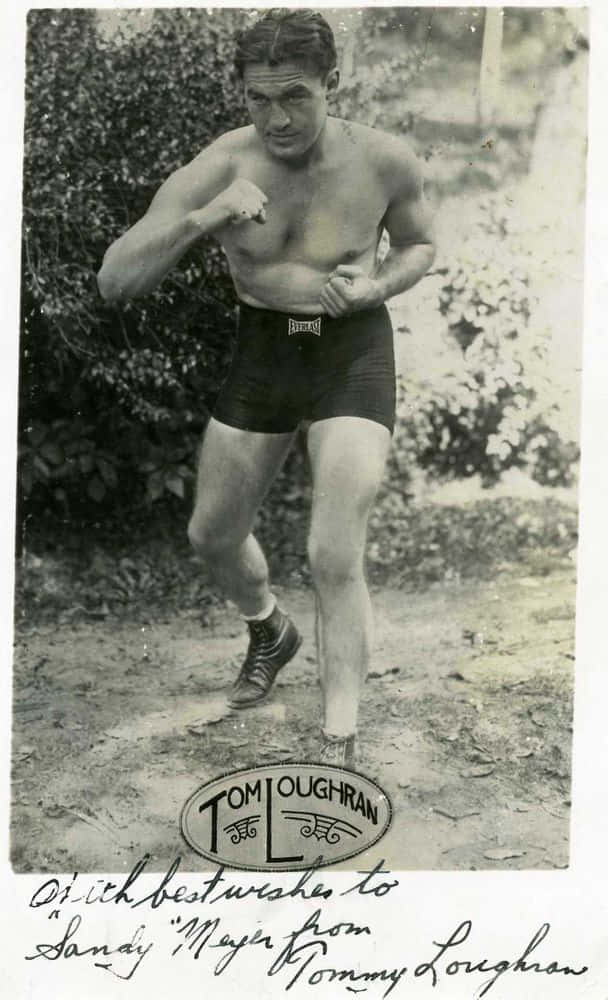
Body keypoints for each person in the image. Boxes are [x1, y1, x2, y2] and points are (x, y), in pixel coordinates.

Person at [97, 9, 435, 768]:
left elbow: (420, 244)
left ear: (331, 83)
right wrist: (204, 217)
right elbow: (115, 281)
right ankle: (269, 628)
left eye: (295, 97)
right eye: (259, 99)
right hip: (265, 351)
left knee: (333, 549)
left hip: (350, 349)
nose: (277, 118)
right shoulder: (224, 163)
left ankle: (339, 741)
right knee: (212, 534)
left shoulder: (384, 159)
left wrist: (377, 285)